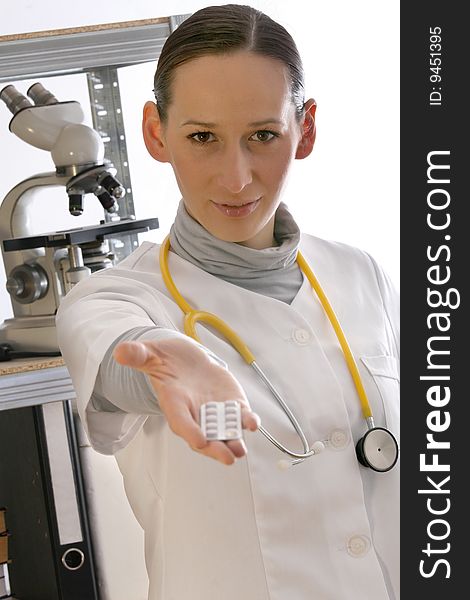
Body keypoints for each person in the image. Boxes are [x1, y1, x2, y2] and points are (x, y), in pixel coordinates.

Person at [56, 4, 400, 599]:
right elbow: (121, 356)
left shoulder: (360, 272)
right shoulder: (116, 297)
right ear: (156, 134)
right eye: (203, 138)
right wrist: (169, 367)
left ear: (306, 129)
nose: (236, 177)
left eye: (263, 135)